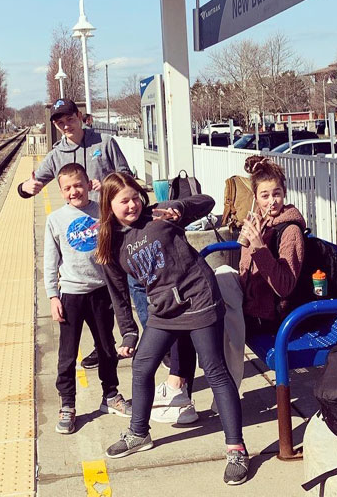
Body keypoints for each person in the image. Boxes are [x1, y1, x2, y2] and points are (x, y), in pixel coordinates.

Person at [96, 172, 249, 486]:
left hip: (199, 298)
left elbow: (207, 203)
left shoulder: (161, 214)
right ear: (109, 206)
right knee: (142, 366)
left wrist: (180, 205)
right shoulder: (111, 243)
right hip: (164, 310)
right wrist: (128, 331)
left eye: (135, 196)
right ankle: (139, 432)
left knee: (214, 369)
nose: (132, 204)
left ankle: (236, 447)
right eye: (123, 201)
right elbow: (119, 295)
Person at [18, 97, 135, 369]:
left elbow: (127, 176)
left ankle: (140, 338)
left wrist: (105, 184)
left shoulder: (104, 144)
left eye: (69, 119)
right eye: (60, 123)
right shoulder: (57, 154)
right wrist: (26, 187)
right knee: (98, 294)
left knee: (125, 285)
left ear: (79, 116)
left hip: (111, 225)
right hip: (82, 234)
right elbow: (30, 185)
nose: (66, 126)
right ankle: (102, 347)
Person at [43, 163, 132, 434]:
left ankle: (111, 395)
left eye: (78, 185)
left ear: (88, 183)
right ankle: (67, 404)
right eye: (67, 188)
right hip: (71, 294)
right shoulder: (55, 219)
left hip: (101, 291)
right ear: (60, 191)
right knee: (67, 353)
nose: (74, 191)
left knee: (106, 347)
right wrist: (52, 296)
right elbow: (50, 260)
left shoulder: (102, 210)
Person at [215, 155, 307, 391]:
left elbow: (285, 285)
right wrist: (251, 239)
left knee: (221, 318)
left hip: (272, 315)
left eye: (276, 194)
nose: (272, 202)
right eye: (265, 196)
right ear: (255, 198)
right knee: (214, 282)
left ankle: (226, 389)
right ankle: (215, 384)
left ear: (284, 193)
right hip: (253, 303)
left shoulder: (291, 231)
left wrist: (259, 247)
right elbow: (246, 271)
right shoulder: (263, 222)